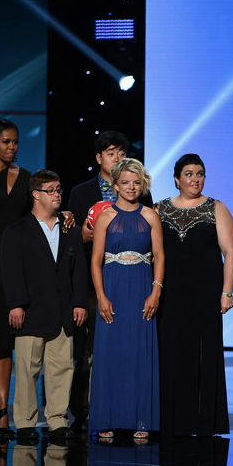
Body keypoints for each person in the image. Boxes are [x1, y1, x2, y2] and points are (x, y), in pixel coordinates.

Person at [66, 130, 153, 432]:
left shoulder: (141, 193)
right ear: (98, 158)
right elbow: (70, 239)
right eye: (111, 152)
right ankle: (85, 412)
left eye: (121, 152)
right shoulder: (80, 192)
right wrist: (83, 235)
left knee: (131, 348)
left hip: (133, 281)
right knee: (88, 351)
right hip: (93, 283)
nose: (117, 157)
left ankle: (133, 413)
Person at [0, 170, 88, 444]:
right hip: (31, 311)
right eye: (51, 190)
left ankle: (58, 421)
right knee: (27, 369)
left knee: (62, 368)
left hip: (62, 310)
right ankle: (25, 423)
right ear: (36, 194)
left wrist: (80, 303)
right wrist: (16, 304)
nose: (57, 194)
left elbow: (78, 270)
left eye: (59, 189)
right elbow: (11, 270)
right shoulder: (17, 230)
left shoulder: (69, 229)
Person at [157, 153, 233, 437]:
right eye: (189, 173)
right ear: (177, 178)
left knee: (205, 354)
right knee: (170, 352)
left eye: (200, 173)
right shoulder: (159, 209)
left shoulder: (216, 208)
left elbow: (230, 252)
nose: (195, 178)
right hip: (170, 294)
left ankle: (204, 422)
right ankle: (172, 419)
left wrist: (227, 292)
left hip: (206, 293)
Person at [89, 158, 165, 440]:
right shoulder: (106, 216)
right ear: (115, 184)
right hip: (112, 289)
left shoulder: (150, 216)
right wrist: (101, 297)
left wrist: (156, 290)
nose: (131, 188)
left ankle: (141, 420)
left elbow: (160, 256)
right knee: (111, 354)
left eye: (136, 183)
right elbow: (95, 261)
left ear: (142, 184)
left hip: (142, 287)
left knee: (139, 354)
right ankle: (106, 419)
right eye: (125, 183)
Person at [0, 118, 31, 438]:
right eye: (6, 142)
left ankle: (2, 408)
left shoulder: (25, 178)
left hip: (14, 266)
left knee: (5, 340)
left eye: (15, 142)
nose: (11, 147)